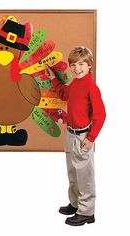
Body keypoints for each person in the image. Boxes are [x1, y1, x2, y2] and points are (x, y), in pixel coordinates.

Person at [46, 46, 106, 226]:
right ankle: (75, 204)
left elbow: (100, 115)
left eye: (81, 64)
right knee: (73, 173)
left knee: (84, 176)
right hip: (70, 134)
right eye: (73, 64)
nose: (76, 68)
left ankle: (87, 212)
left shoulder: (90, 86)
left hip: (83, 138)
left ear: (90, 66)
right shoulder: (75, 83)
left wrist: (91, 138)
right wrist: (54, 79)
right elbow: (65, 94)